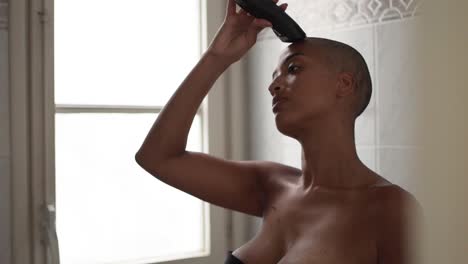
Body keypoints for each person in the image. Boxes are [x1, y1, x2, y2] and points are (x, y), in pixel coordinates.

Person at [135, 0, 423, 263]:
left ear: (344, 85)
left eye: (293, 69)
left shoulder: (390, 209)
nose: (273, 86)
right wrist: (217, 57)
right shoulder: (272, 184)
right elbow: (157, 157)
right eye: (274, 76)